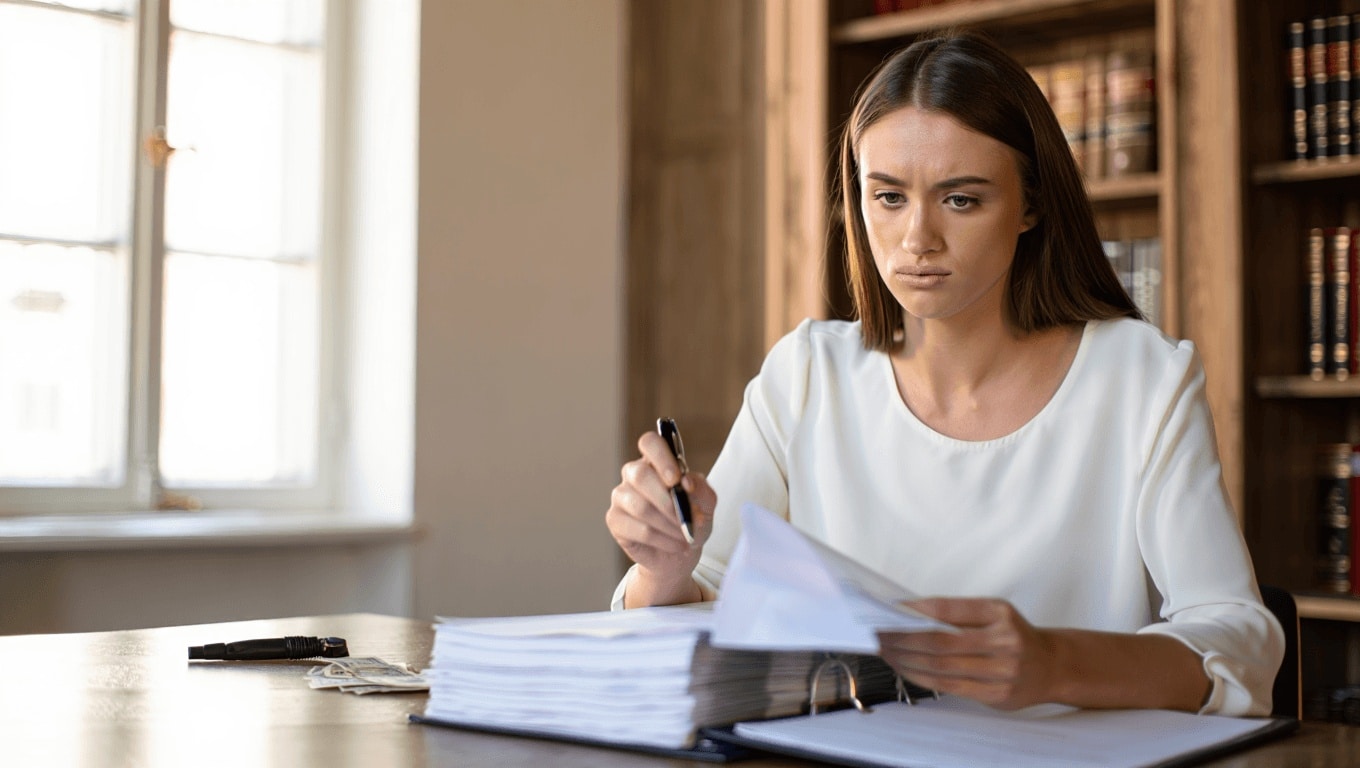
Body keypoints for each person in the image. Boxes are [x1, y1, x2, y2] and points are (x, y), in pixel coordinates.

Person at [604, 30, 1283, 717]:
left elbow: (1240, 639)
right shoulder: (807, 375)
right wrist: (664, 570)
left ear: (1032, 205)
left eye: (960, 199)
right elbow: (700, 608)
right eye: (888, 197)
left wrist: (1054, 665)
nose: (916, 240)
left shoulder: (1141, 379)